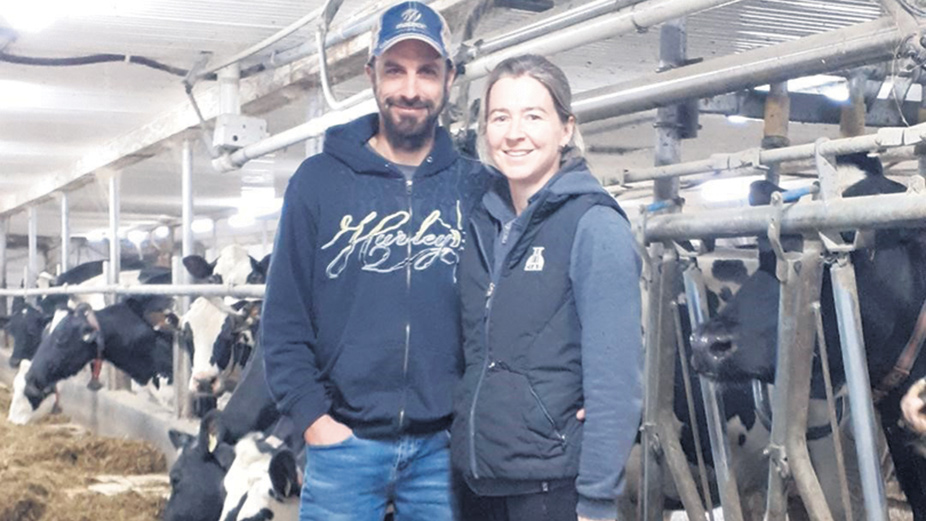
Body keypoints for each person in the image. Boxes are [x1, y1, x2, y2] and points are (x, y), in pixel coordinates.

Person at [260, 2, 490, 519]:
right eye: (395, 70)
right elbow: (283, 319)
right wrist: (313, 418)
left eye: (427, 71)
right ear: (370, 75)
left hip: (443, 451)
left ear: (449, 78)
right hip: (344, 445)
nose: (411, 89)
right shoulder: (318, 181)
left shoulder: (477, 187)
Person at [451, 54, 643, 521]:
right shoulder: (480, 225)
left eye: (533, 116)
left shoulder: (594, 226)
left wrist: (597, 500)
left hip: (554, 490)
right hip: (476, 482)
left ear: (565, 128)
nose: (514, 133)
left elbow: (615, 381)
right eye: (500, 117)